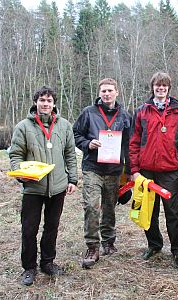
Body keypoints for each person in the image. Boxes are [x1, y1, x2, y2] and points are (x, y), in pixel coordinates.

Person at [9, 86, 78, 286]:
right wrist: (21, 176)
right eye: (42, 100)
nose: (45, 104)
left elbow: (70, 155)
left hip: (57, 187)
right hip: (33, 187)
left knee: (52, 227)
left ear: (54, 104)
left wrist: (72, 179)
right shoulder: (23, 127)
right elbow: (15, 155)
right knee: (29, 229)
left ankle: (47, 263)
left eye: (49, 101)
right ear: (36, 102)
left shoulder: (64, 125)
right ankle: (29, 268)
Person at [129, 72, 178, 268]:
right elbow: (134, 142)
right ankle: (154, 245)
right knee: (149, 212)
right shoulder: (142, 111)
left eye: (164, 85)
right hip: (146, 171)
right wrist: (135, 169)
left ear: (169, 88)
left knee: (174, 213)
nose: (160, 88)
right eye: (157, 85)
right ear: (152, 87)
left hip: (171, 171)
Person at [73, 78, 131, 269]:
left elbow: (129, 146)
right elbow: (76, 134)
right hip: (92, 167)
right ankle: (92, 246)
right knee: (91, 206)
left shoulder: (124, 116)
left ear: (117, 92)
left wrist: (129, 173)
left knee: (109, 207)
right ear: (99, 93)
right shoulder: (88, 113)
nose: (106, 94)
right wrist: (87, 144)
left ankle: (108, 241)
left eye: (110, 90)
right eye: (103, 91)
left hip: (114, 170)